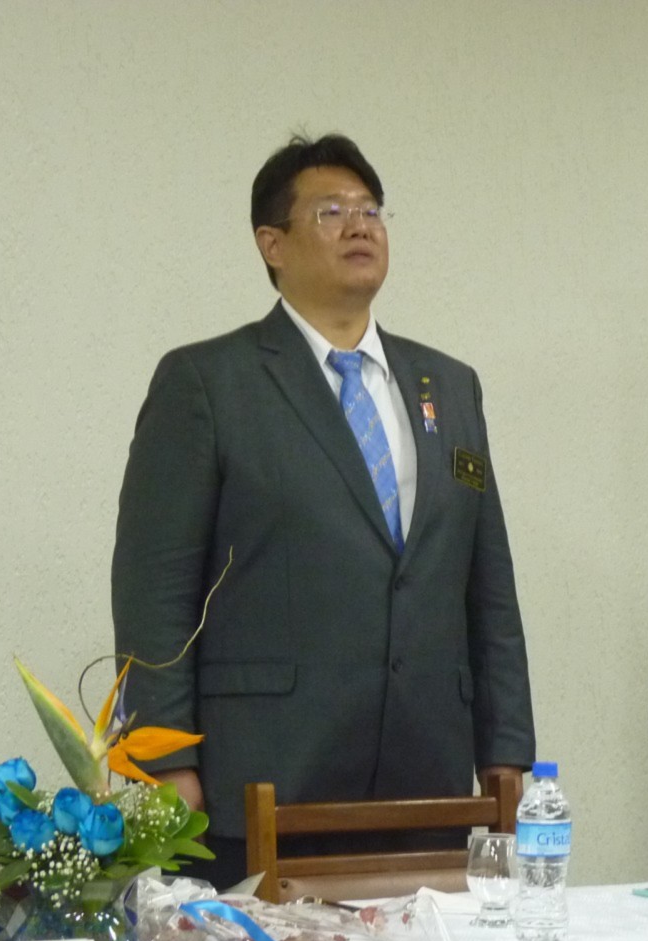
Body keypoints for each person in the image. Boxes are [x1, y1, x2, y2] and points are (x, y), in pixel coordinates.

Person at [111, 132, 535, 890]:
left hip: (427, 776)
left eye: (370, 209)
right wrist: (164, 760)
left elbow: (487, 583)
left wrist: (505, 750)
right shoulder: (209, 382)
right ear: (271, 244)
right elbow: (155, 589)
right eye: (330, 211)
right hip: (264, 777)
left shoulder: (449, 385)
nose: (359, 225)